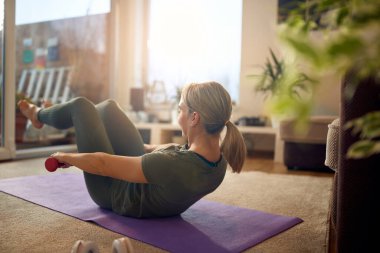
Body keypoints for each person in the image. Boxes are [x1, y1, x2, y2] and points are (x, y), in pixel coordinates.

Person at [18, 81, 246, 218]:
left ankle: (39, 116)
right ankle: (57, 113)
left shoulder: (173, 165)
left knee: (81, 107)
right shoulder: (219, 161)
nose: (178, 116)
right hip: (153, 181)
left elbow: (102, 164)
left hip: (113, 194)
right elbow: (160, 151)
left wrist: (67, 157)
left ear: (194, 117)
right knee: (108, 108)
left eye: (180, 110)